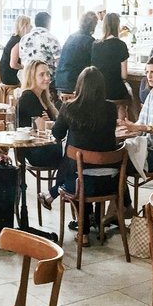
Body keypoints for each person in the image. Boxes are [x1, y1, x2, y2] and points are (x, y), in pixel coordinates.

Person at [39, 67, 120, 220]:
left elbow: (57, 134)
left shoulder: (69, 107)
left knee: (72, 152)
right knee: (79, 152)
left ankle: (84, 230)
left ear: (79, 86)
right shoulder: (111, 108)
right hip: (109, 182)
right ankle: (93, 220)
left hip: (78, 183)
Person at [15, 60, 63, 171]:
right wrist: (51, 124)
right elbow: (43, 128)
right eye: (42, 75)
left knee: (73, 151)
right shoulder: (28, 97)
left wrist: (50, 124)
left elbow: (50, 127)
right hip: (35, 150)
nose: (47, 78)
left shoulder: (43, 97)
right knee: (73, 152)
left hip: (46, 145)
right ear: (32, 77)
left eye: (48, 74)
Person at [91, 12, 132, 102]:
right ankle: (130, 116)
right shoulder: (121, 45)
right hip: (115, 90)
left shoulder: (95, 44)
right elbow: (124, 75)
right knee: (131, 97)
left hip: (98, 90)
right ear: (117, 25)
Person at [54, 11, 97, 92]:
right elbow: (94, 63)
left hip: (60, 80)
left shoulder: (71, 37)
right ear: (93, 25)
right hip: (74, 84)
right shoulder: (89, 41)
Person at [17, 11, 61, 76]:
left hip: (27, 78)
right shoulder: (52, 39)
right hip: (46, 79)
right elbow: (59, 62)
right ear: (48, 23)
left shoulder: (24, 39)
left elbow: (22, 60)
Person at [0, 15, 30, 87]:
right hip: (10, 77)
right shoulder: (18, 42)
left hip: (5, 75)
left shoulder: (13, 38)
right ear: (25, 27)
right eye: (30, 26)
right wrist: (24, 67)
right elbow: (13, 64)